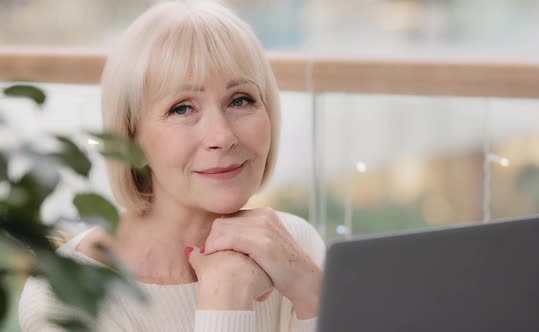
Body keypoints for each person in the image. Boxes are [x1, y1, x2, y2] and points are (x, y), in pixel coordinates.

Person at [18, 1, 325, 331]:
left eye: (240, 100)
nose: (222, 136)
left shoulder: (292, 245)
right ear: (131, 137)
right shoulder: (64, 297)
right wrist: (225, 300)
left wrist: (311, 292)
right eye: (182, 109)